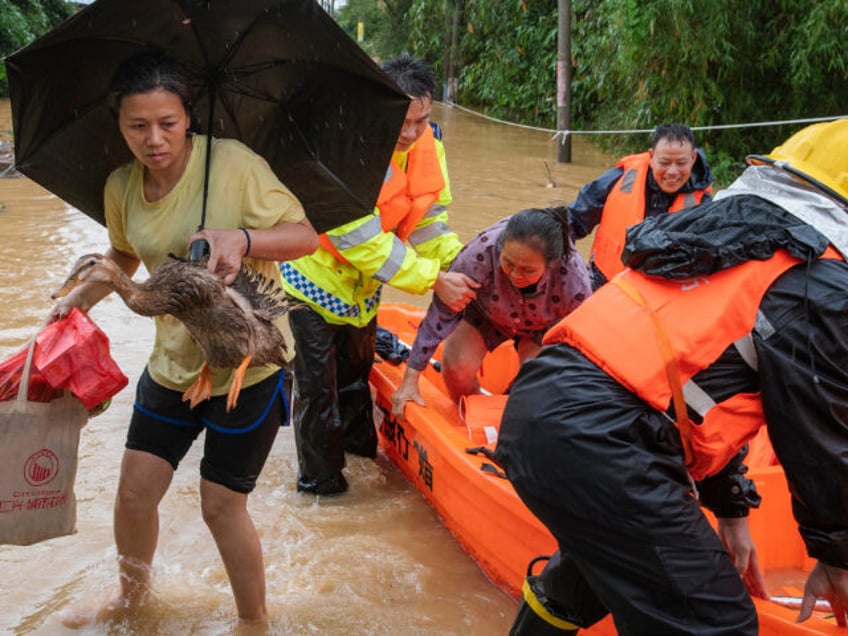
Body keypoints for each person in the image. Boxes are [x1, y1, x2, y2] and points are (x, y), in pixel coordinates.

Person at [494, 118, 848, 634]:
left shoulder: (725, 234)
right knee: (718, 623)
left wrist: (730, 511)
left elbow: (702, 379)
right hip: (605, 435)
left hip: (546, 409)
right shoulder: (817, 279)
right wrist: (837, 556)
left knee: (592, 573)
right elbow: (819, 430)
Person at [51, 51, 318, 627]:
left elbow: (306, 237)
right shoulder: (120, 186)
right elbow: (122, 257)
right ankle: (132, 600)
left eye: (167, 124)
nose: (154, 139)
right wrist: (75, 304)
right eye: (137, 126)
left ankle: (254, 621)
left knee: (221, 507)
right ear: (118, 124)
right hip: (174, 364)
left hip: (250, 364)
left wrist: (242, 238)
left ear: (187, 116)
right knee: (132, 497)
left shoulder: (235, 164)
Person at [280, 53, 478, 496]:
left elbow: (429, 222)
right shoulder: (343, 151)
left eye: (421, 121)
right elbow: (358, 239)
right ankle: (321, 488)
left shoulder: (430, 146)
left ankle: (363, 465)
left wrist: (457, 260)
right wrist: (431, 280)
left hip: (364, 291)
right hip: (313, 283)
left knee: (355, 381)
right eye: (401, 123)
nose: (410, 133)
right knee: (318, 394)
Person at [391, 207, 591, 416]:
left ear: (552, 265)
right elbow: (440, 315)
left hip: (541, 327)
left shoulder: (575, 283)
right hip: (485, 312)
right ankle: (466, 414)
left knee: (534, 382)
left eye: (528, 270)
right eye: (508, 263)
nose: (515, 275)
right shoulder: (481, 252)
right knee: (456, 366)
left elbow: (577, 345)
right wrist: (410, 380)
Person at [567, 123, 713, 289]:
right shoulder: (621, 177)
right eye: (664, 162)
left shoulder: (703, 203)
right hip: (604, 283)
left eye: (681, 163)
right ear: (651, 157)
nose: (672, 171)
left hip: (659, 295)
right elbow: (573, 219)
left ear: (693, 158)